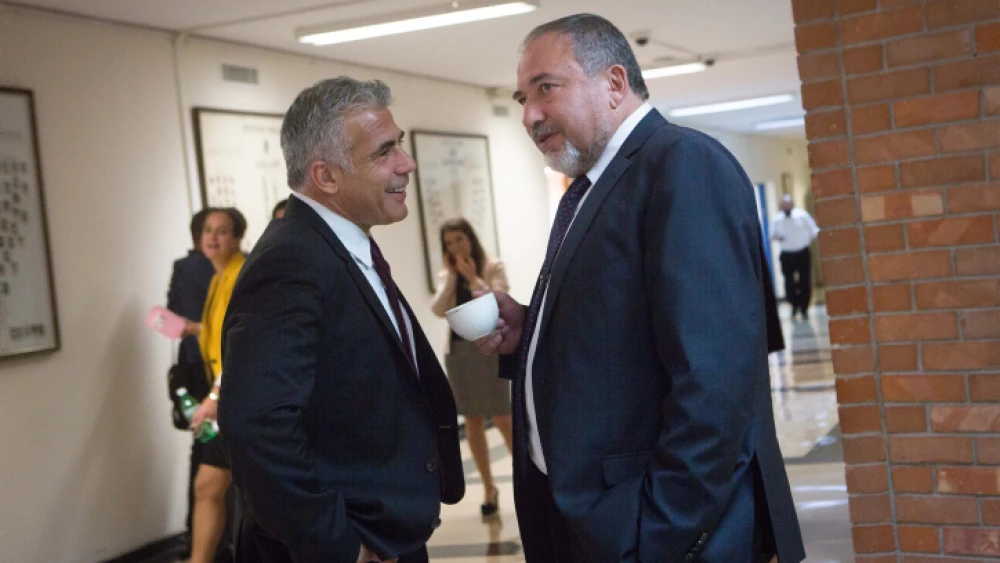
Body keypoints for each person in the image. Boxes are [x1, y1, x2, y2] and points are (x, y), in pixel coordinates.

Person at [476, 14, 805, 563]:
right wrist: (531, 329)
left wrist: (658, 531)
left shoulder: (682, 164)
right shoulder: (592, 186)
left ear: (613, 83)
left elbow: (715, 382)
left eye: (546, 89)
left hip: (656, 532)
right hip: (595, 519)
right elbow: (626, 327)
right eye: (521, 98)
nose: (530, 114)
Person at [218, 77, 464, 563]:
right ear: (326, 176)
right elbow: (256, 425)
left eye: (402, 144)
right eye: (384, 152)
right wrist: (339, 544)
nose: (406, 163)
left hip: (385, 531)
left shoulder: (340, 248)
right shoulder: (290, 262)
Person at [430, 218, 514, 516]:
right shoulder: (446, 274)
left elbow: (499, 301)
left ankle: (526, 478)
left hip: (489, 350)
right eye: (449, 243)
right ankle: (489, 488)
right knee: (473, 420)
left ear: (470, 238)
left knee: (504, 416)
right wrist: (453, 279)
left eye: (459, 240)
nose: (455, 247)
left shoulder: (493, 266)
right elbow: (438, 310)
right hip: (460, 354)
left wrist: (474, 277)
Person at [188, 207, 248, 563]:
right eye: (207, 230)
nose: (213, 237)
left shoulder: (240, 274)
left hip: (235, 398)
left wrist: (214, 396)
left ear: (238, 237)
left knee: (211, 487)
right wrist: (195, 329)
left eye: (222, 231)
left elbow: (239, 343)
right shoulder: (218, 277)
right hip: (227, 398)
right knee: (208, 487)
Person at [165, 208, 221, 558]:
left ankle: (196, 540)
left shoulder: (183, 269)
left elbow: (172, 317)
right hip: (211, 372)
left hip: (194, 369)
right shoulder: (215, 269)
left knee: (204, 453)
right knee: (214, 460)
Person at [771, 194, 819, 320]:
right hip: (787, 254)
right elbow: (772, 235)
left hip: (802, 252)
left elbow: (814, 230)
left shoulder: (802, 215)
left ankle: (804, 308)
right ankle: (793, 306)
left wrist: (804, 240)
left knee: (804, 281)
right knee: (789, 282)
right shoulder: (777, 219)